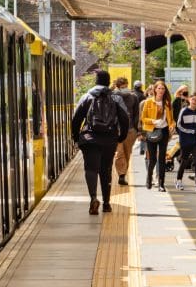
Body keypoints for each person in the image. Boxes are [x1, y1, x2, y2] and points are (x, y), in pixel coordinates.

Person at [71, 70, 129, 215]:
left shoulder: (87, 96)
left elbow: (76, 119)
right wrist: (121, 136)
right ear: (108, 82)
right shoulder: (116, 98)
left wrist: (76, 138)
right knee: (106, 170)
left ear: (96, 81)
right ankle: (107, 203)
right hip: (109, 139)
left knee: (91, 169)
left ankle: (93, 198)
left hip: (90, 139)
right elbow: (125, 118)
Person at [141, 80, 175, 191]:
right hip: (152, 131)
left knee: (162, 158)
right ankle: (149, 178)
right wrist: (153, 121)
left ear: (165, 90)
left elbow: (171, 119)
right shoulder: (148, 102)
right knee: (152, 159)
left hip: (164, 132)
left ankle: (161, 183)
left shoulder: (167, 103)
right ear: (155, 89)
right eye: (159, 88)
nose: (161, 90)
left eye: (163, 88)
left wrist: (172, 126)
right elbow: (143, 118)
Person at [111, 77, 140, 185]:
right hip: (117, 130)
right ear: (118, 87)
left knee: (127, 153)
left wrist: (137, 130)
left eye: (126, 86)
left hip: (130, 130)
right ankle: (121, 175)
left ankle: (123, 173)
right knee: (119, 153)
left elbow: (136, 114)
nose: (125, 89)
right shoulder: (113, 97)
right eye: (123, 87)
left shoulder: (134, 97)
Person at [175, 92, 196, 192]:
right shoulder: (184, 111)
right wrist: (192, 131)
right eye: (193, 99)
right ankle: (179, 180)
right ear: (189, 100)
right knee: (184, 161)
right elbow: (179, 126)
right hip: (185, 140)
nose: (194, 101)